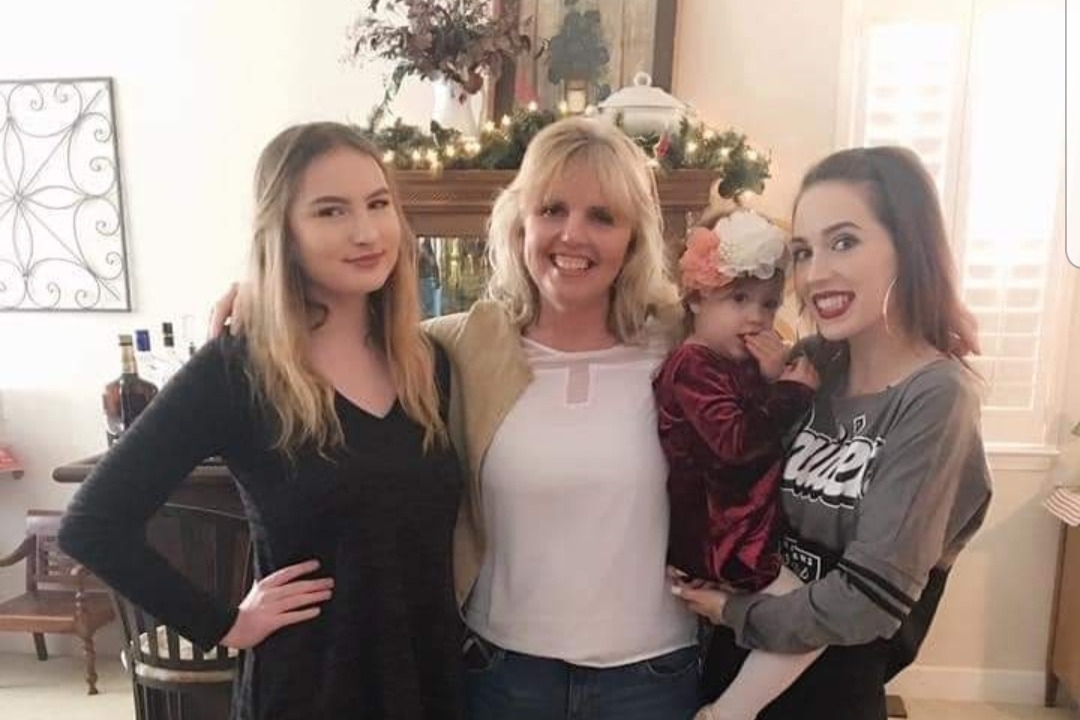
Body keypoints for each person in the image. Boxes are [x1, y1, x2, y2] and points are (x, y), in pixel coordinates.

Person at [59, 122, 463, 720]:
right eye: (330, 211)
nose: (365, 231)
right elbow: (92, 524)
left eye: (378, 204)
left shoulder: (428, 362)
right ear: (283, 231)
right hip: (308, 690)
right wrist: (226, 623)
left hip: (429, 682)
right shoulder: (238, 370)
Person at [672, 146, 993, 720]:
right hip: (729, 670)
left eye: (844, 242)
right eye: (803, 251)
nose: (815, 273)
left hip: (825, 697)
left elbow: (866, 603)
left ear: (908, 246)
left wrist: (730, 611)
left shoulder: (937, 397)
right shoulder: (811, 364)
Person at [423, 116, 701, 720]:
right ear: (520, 222)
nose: (572, 235)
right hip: (503, 677)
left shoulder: (684, 347)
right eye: (552, 209)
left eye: (602, 217)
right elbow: (355, 336)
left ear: (633, 238)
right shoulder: (466, 344)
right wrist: (260, 304)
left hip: (652, 679)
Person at [654, 208, 822, 720]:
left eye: (768, 304)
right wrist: (790, 392)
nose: (756, 318)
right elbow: (734, 442)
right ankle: (728, 714)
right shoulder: (692, 364)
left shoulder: (731, 364)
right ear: (696, 297)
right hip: (720, 541)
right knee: (808, 619)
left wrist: (770, 379)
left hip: (738, 536)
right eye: (738, 299)